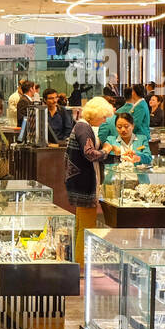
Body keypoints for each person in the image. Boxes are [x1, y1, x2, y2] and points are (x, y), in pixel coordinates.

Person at [66, 96, 118, 268]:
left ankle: (77, 261)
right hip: (84, 183)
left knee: (82, 224)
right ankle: (80, 265)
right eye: (103, 117)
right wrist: (106, 150)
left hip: (80, 181)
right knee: (86, 227)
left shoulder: (82, 126)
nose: (104, 121)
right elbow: (89, 153)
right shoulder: (84, 128)